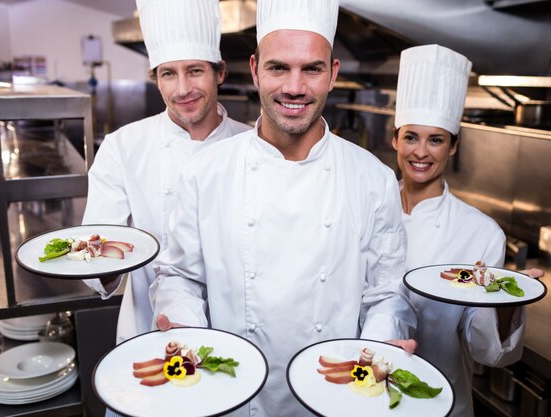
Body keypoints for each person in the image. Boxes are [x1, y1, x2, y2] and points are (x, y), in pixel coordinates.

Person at [149, 0, 417, 415]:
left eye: (312, 68)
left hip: (335, 394)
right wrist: (186, 331)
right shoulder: (207, 171)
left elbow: (385, 292)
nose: (295, 87)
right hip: (234, 395)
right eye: (279, 68)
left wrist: (380, 346)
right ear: (255, 70)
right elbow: (179, 276)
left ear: (333, 75)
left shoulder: (372, 177)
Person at [81, 0, 250, 345]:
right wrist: (102, 259)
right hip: (149, 331)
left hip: (241, 337)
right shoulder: (122, 147)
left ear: (220, 72)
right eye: (168, 73)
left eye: (195, 71)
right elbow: (96, 255)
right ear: (155, 79)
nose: (182, 89)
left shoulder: (253, 144)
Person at [392, 44, 543, 417]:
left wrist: (511, 301)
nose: (421, 152)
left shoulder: (481, 232)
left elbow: (487, 351)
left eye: (437, 139)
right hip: (358, 395)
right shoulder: (366, 209)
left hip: (440, 401)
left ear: (454, 146)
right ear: (394, 139)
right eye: (411, 136)